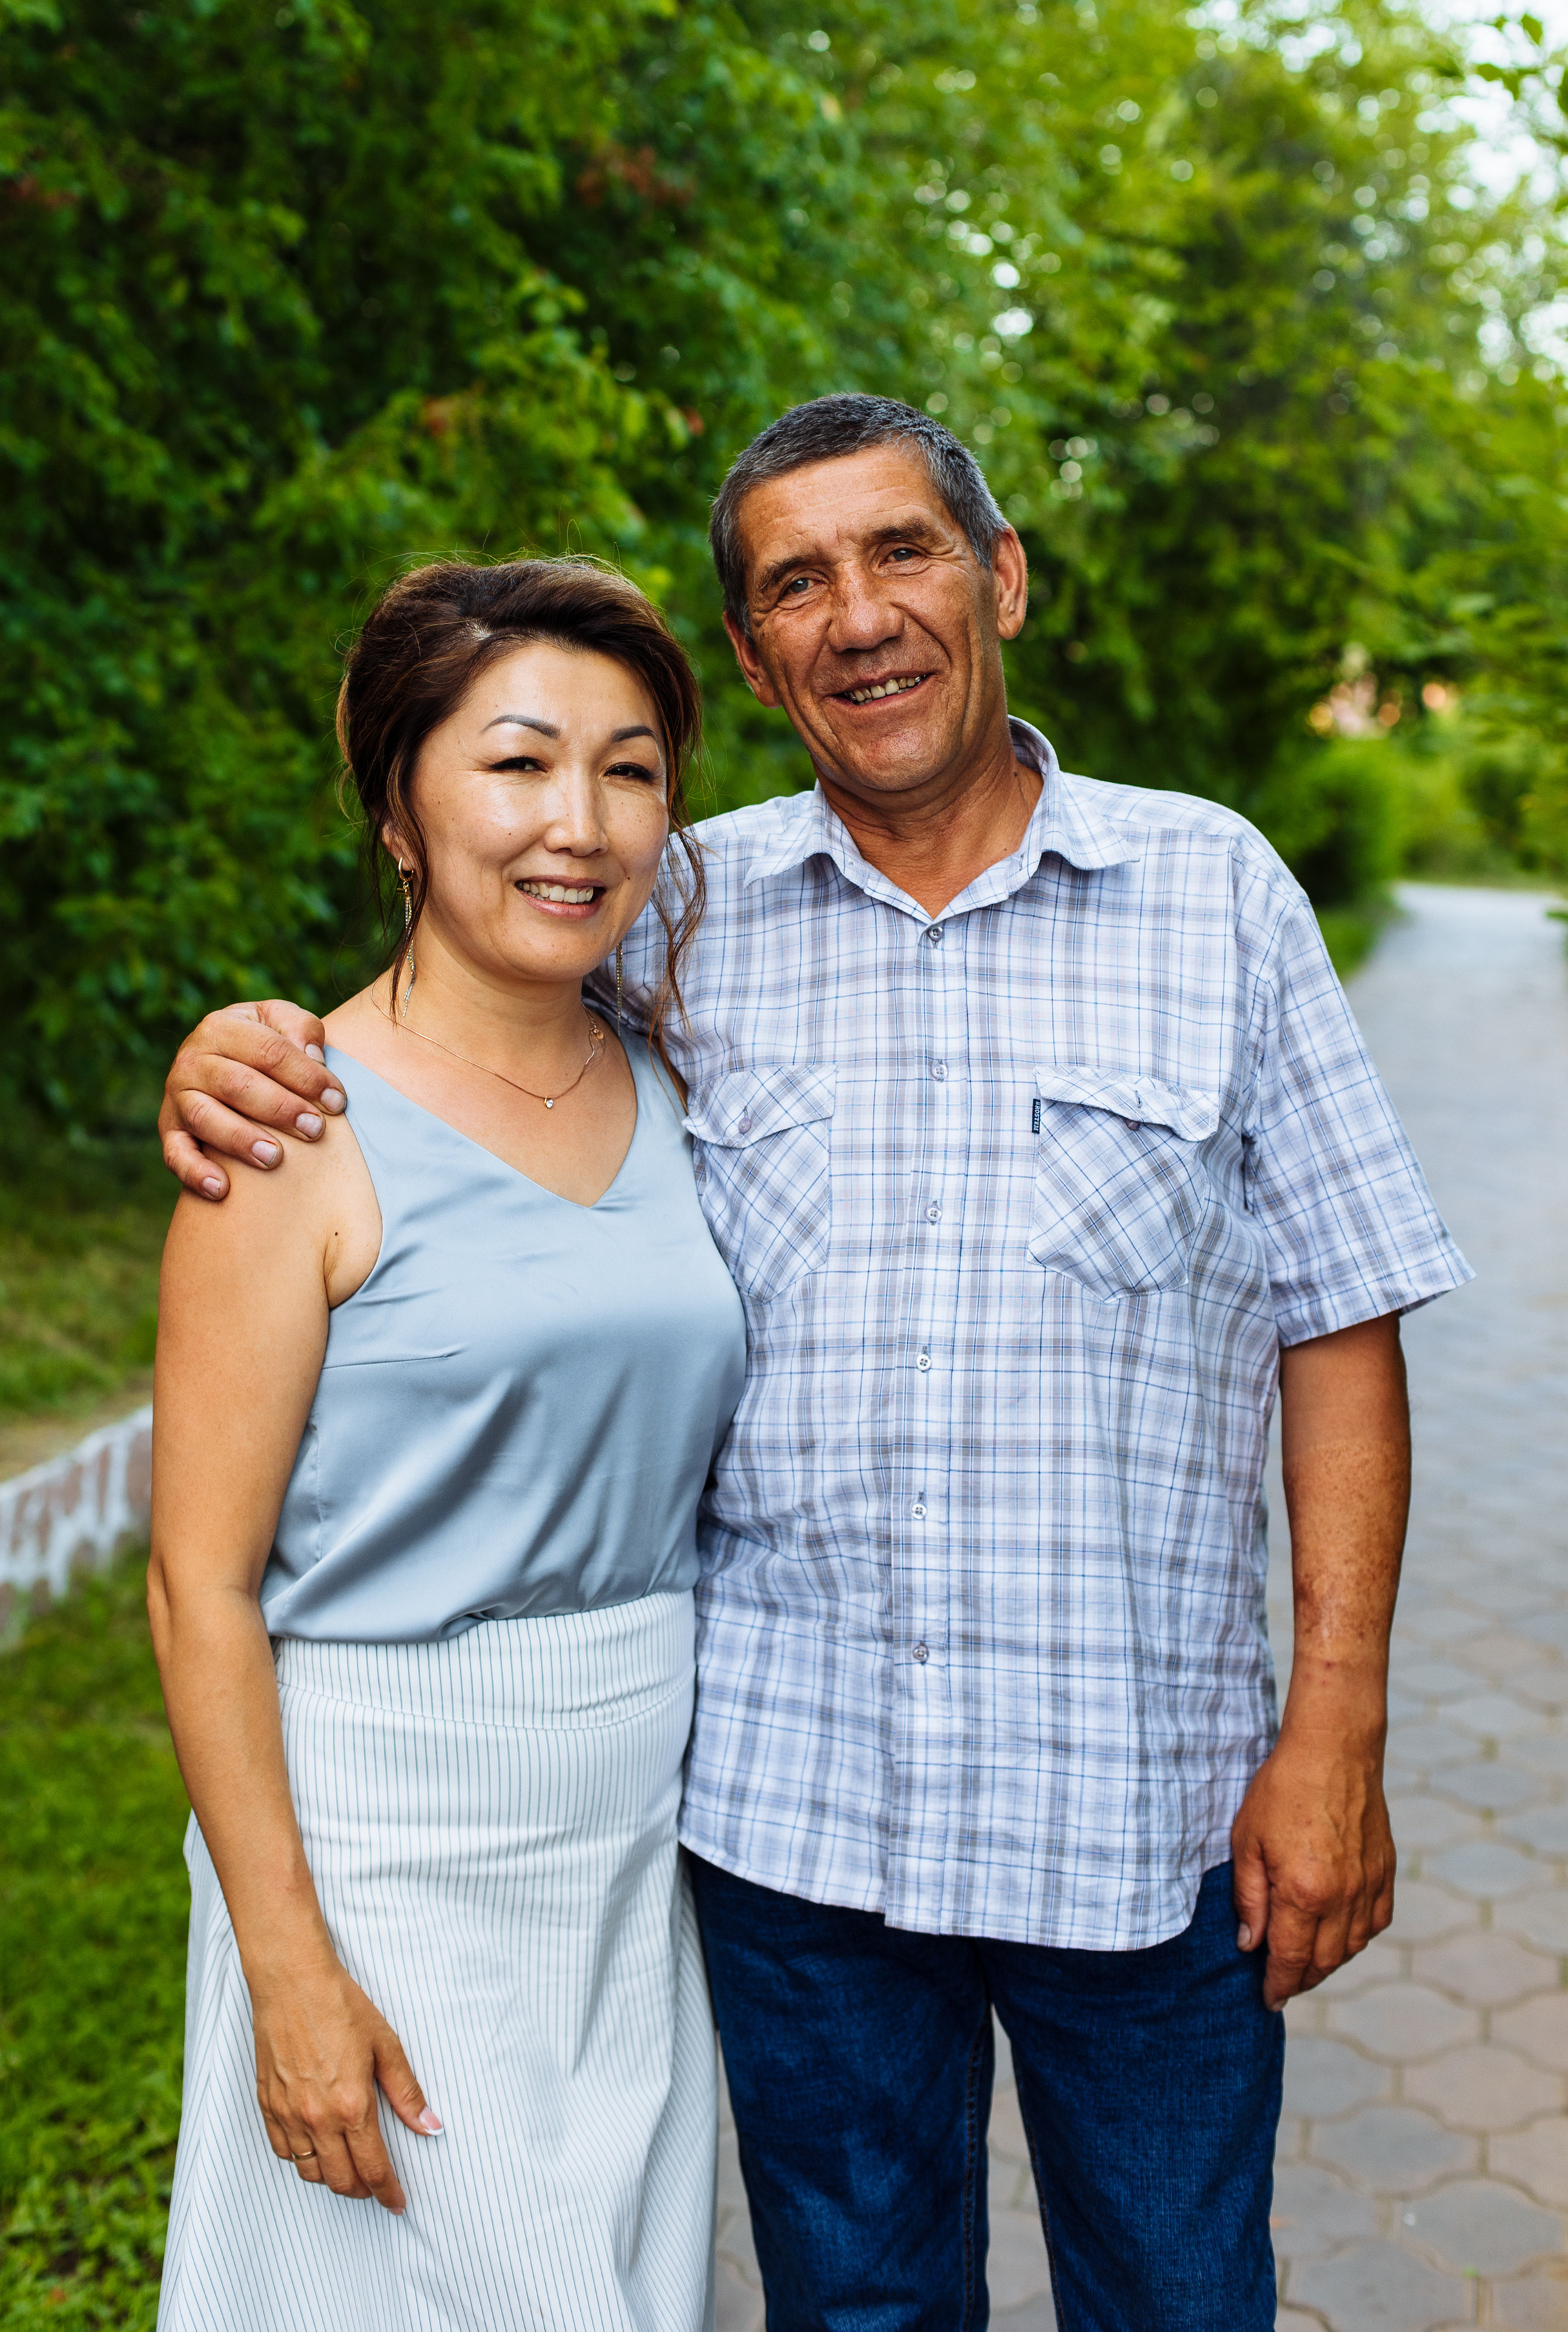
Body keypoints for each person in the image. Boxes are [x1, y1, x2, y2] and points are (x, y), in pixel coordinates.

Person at [156, 398, 1469, 2332]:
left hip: (1145, 1814)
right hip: (792, 1828)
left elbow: (1339, 1316)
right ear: (761, 660)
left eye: (902, 552)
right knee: (852, 2315)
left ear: (1000, 576)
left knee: (1184, 2303)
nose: (859, 616)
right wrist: (235, 1051)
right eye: (795, 584)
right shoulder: (674, 919)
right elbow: (451, 1023)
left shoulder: (1217, 895)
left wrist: (1337, 1728)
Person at [147, 558, 747, 2332]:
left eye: (630, 769)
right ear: (401, 807)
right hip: (384, 1831)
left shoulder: (682, 1081)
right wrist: (287, 1967)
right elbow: (199, 1586)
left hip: (635, 1832)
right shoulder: (291, 1129)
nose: (579, 823)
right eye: (516, 763)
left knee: (621, 2290)